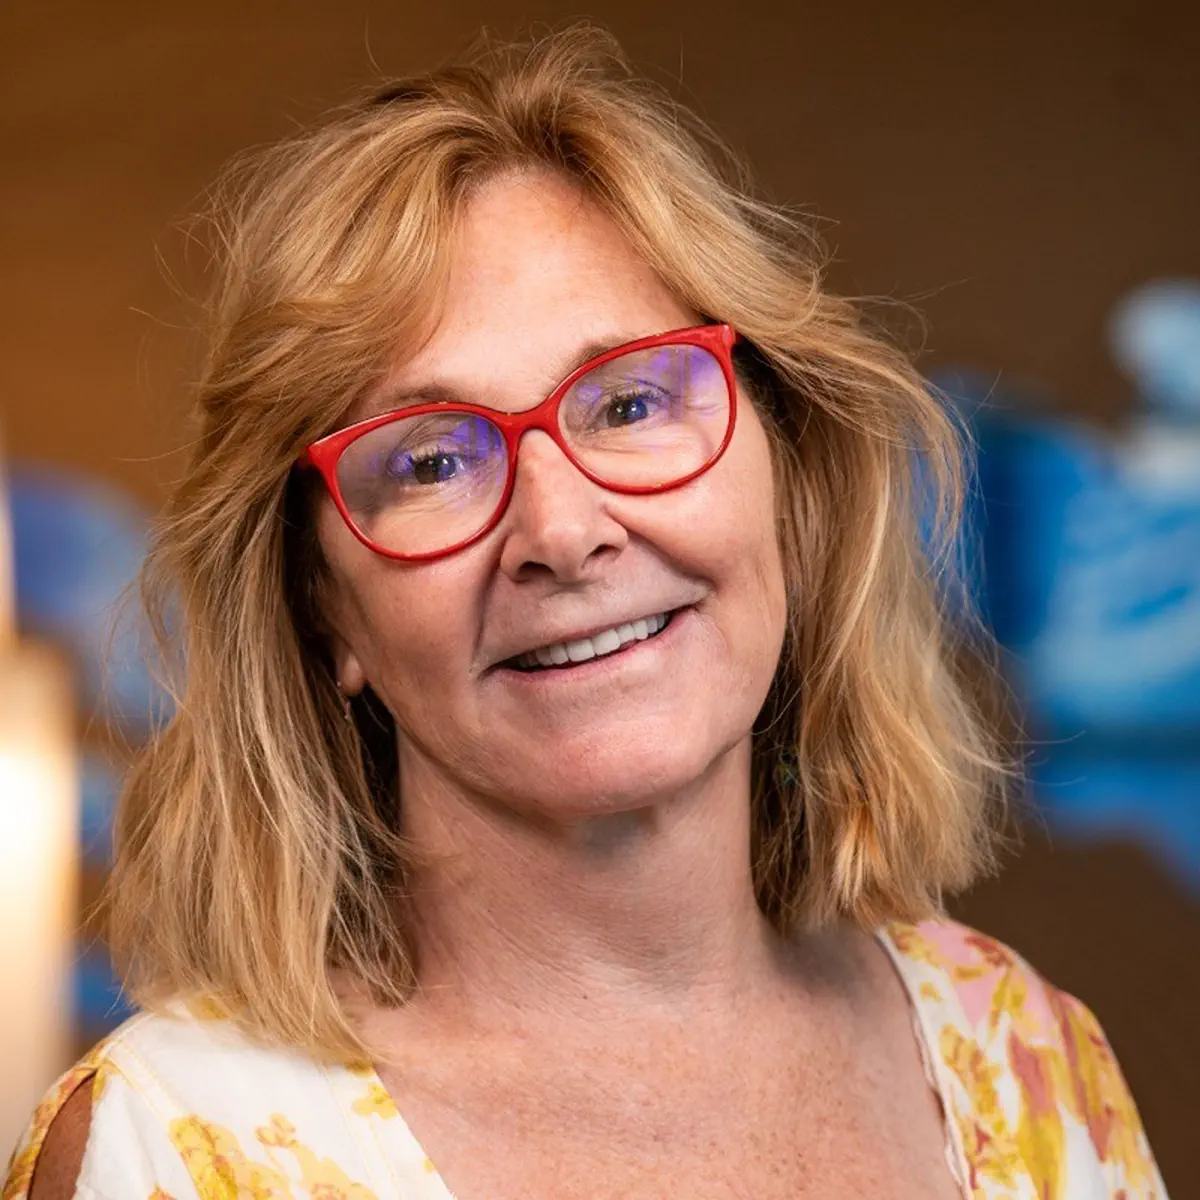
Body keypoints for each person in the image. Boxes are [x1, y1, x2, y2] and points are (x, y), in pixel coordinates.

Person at [6, 26, 1166, 1200]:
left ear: (790, 482)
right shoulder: (169, 1149)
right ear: (325, 611)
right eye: (430, 463)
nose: (561, 532)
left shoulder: (1023, 1059)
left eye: (630, 402)